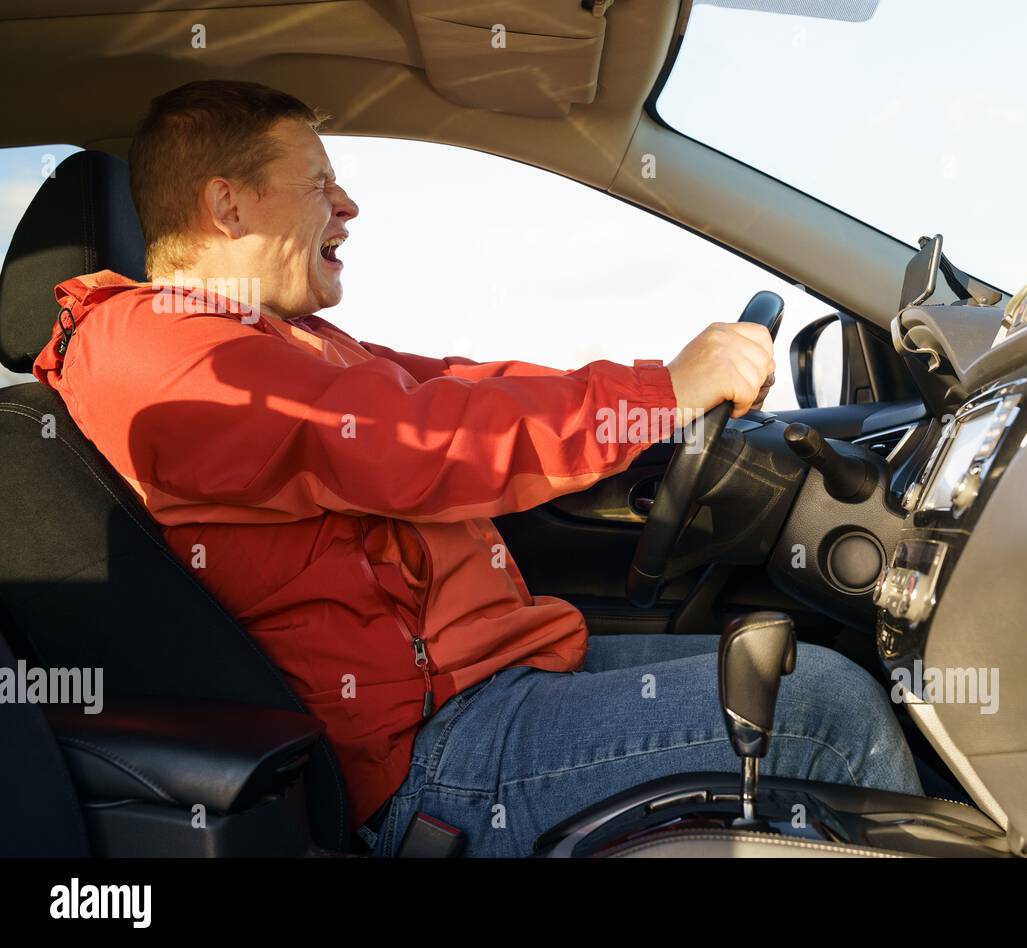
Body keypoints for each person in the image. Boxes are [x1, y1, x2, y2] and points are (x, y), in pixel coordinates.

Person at [32, 80, 921, 857]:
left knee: (807, 658)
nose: (347, 206)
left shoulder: (282, 338)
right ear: (227, 207)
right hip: (432, 753)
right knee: (825, 709)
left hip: (494, 679)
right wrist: (661, 394)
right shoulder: (155, 349)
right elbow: (412, 436)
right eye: (318, 185)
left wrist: (662, 387)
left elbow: (460, 385)